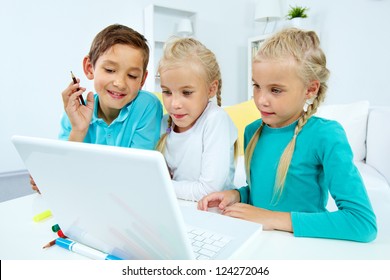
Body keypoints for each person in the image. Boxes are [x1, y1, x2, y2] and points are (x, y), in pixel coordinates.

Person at [198, 28, 377, 243]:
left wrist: (272, 219)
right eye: (256, 86)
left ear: (310, 90)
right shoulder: (252, 131)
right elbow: (262, 194)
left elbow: (362, 223)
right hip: (257, 244)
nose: (261, 100)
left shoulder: (326, 135)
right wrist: (237, 195)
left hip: (303, 248)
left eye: (275, 90)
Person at [30, 24, 162, 192]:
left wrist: (65, 175)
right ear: (89, 67)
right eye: (110, 70)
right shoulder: (75, 113)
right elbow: (63, 173)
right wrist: (78, 129)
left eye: (132, 76)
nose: (120, 83)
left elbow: (135, 174)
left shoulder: (147, 106)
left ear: (142, 80)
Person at [155, 37, 238, 201]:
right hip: (179, 208)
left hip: (213, 213)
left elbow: (208, 190)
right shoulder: (165, 123)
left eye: (186, 93)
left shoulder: (215, 120)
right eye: (167, 92)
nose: (175, 104)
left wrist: (158, 185)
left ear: (211, 89)